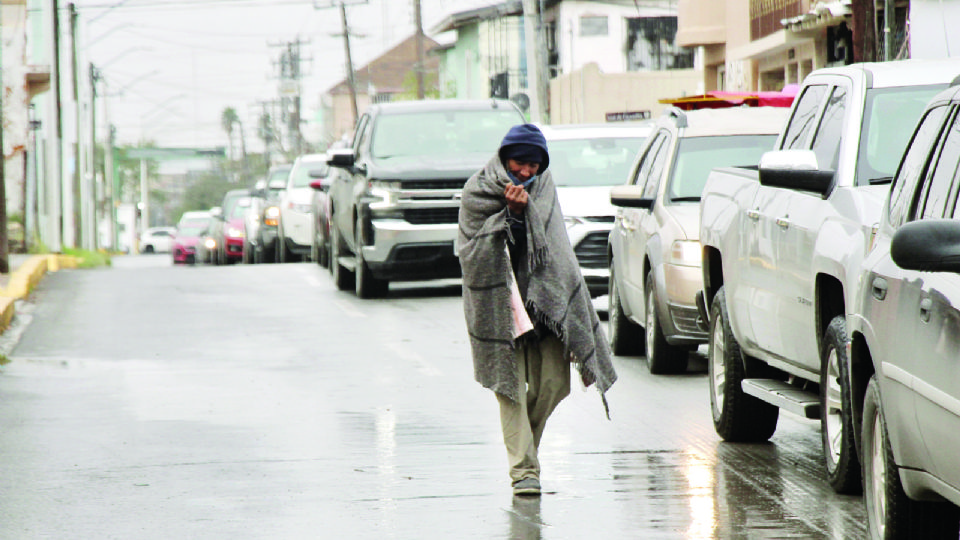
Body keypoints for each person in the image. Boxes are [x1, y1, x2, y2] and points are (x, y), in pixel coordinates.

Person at [457, 123, 617, 497]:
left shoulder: (543, 188)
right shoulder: (476, 191)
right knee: (510, 391)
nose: (526, 172)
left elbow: (555, 249)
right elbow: (470, 252)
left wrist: (524, 213)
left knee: (555, 385)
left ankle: (524, 447)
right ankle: (524, 471)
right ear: (504, 157)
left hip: (545, 307)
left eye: (534, 165)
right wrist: (509, 216)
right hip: (500, 308)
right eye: (519, 162)